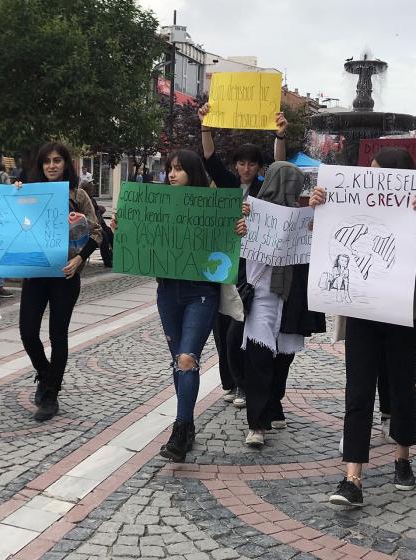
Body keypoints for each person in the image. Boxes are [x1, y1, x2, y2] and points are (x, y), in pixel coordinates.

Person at [310, 148, 416, 507]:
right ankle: (352, 477)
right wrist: (322, 207)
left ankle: (403, 458)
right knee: (357, 392)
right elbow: (330, 239)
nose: (370, 179)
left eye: (376, 174)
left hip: (405, 316)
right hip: (363, 312)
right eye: (367, 174)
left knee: (402, 388)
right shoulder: (357, 206)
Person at [111, 149, 247, 463]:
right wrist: (123, 229)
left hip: (201, 294)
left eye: (179, 169)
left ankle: (181, 429)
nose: (172, 175)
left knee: (187, 359)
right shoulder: (157, 205)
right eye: (170, 169)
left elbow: (229, 241)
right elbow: (140, 240)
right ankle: (186, 424)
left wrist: (238, 229)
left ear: (193, 173)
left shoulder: (213, 207)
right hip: (167, 293)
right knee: (178, 361)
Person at [198, 102, 289, 409]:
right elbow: (209, 158)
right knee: (223, 324)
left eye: (251, 164)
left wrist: (279, 137)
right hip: (225, 261)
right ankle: (232, 382)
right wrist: (205, 126)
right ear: (236, 165)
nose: (246, 168)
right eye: (241, 163)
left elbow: (280, 168)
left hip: (254, 265)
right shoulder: (227, 185)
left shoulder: (265, 188)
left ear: (259, 167)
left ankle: (245, 385)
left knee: (244, 324)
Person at [16, 142, 102, 421]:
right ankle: (44, 374)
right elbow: (15, 223)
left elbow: (97, 233)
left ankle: (51, 394)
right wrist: (14, 196)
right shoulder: (30, 194)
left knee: (58, 334)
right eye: (46, 162)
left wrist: (80, 260)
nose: (52, 165)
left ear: (66, 164)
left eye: (57, 160)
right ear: (40, 166)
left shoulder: (78, 196)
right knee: (28, 331)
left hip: (65, 275)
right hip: (36, 274)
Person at [242, 161, 325, 448]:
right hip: (263, 296)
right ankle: (257, 422)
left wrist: (316, 225)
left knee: (283, 358)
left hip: (292, 298)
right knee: (260, 358)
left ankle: (273, 404)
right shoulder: (253, 213)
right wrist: (241, 226)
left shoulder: (306, 217)